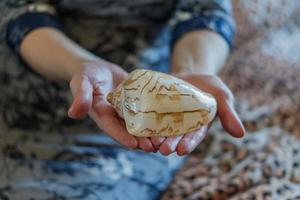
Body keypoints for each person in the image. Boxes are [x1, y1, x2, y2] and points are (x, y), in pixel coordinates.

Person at [0, 0, 245, 199]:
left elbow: (206, 9)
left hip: (125, 132)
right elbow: (19, 9)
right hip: (19, 102)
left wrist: (190, 72)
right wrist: (80, 65)